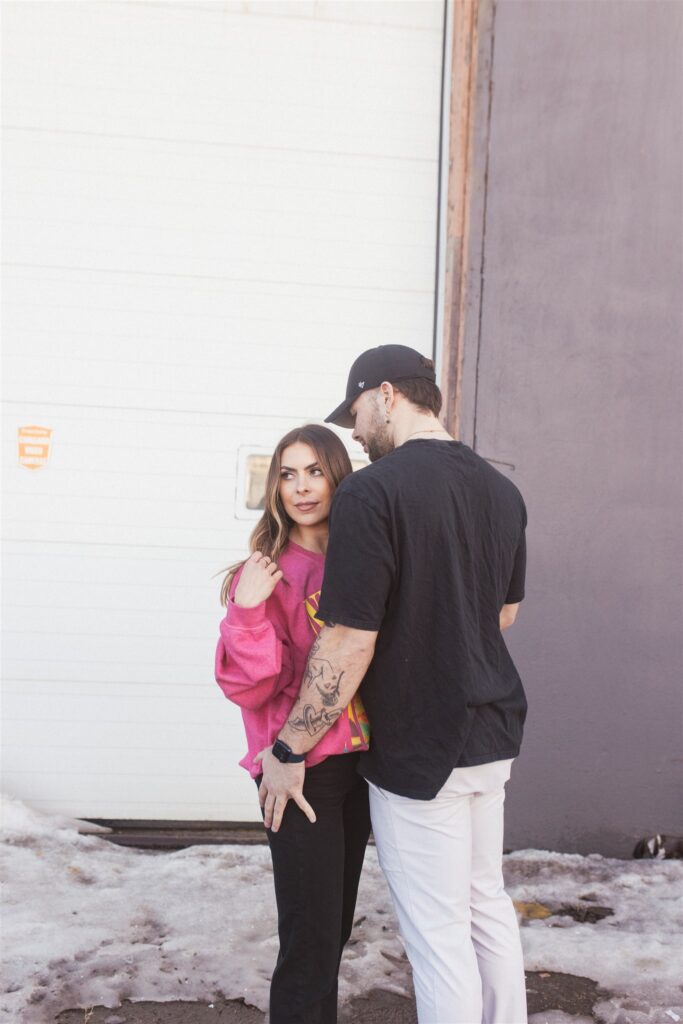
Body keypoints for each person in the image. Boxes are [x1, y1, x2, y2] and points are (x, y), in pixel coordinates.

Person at [257, 345, 528, 1024]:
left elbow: (348, 639)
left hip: (418, 744)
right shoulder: (501, 489)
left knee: (437, 934)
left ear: (384, 394)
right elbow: (503, 612)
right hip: (491, 731)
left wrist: (288, 749)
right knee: (483, 907)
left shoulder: (373, 491)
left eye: (354, 415)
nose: (354, 431)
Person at [214, 424, 371, 1024]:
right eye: (287, 474)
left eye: (315, 472)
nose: (301, 488)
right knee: (308, 945)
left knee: (330, 934)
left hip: (362, 766)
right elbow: (247, 685)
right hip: (298, 770)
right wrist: (248, 608)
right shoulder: (267, 573)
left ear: (338, 477)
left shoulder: (363, 560)